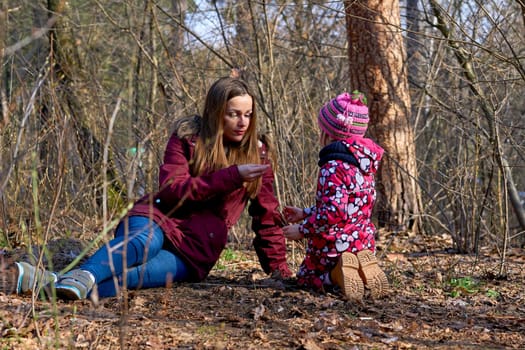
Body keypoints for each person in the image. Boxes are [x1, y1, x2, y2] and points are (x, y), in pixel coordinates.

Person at [2, 76, 292, 301]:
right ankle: (84, 274)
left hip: (194, 250)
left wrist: (280, 271)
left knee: (128, 278)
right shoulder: (188, 138)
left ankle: (44, 284)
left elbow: (266, 217)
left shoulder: (259, 154)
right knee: (142, 243)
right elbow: (173, 189)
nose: (243, 122)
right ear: (217, 113)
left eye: (248, 114)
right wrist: (230, 176)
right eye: (233, 114)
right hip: (158, 217)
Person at [282, 90, 388, 301]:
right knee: (349, 252)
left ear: (328, 134)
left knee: (307, 277)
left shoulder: (332, 167)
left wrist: (302, 230)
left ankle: (336, 274)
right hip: (362, 241)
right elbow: (348, 207)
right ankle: (360, 269)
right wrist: (305, 212)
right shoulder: (364, 166)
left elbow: (334, 212)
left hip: (334, 245)